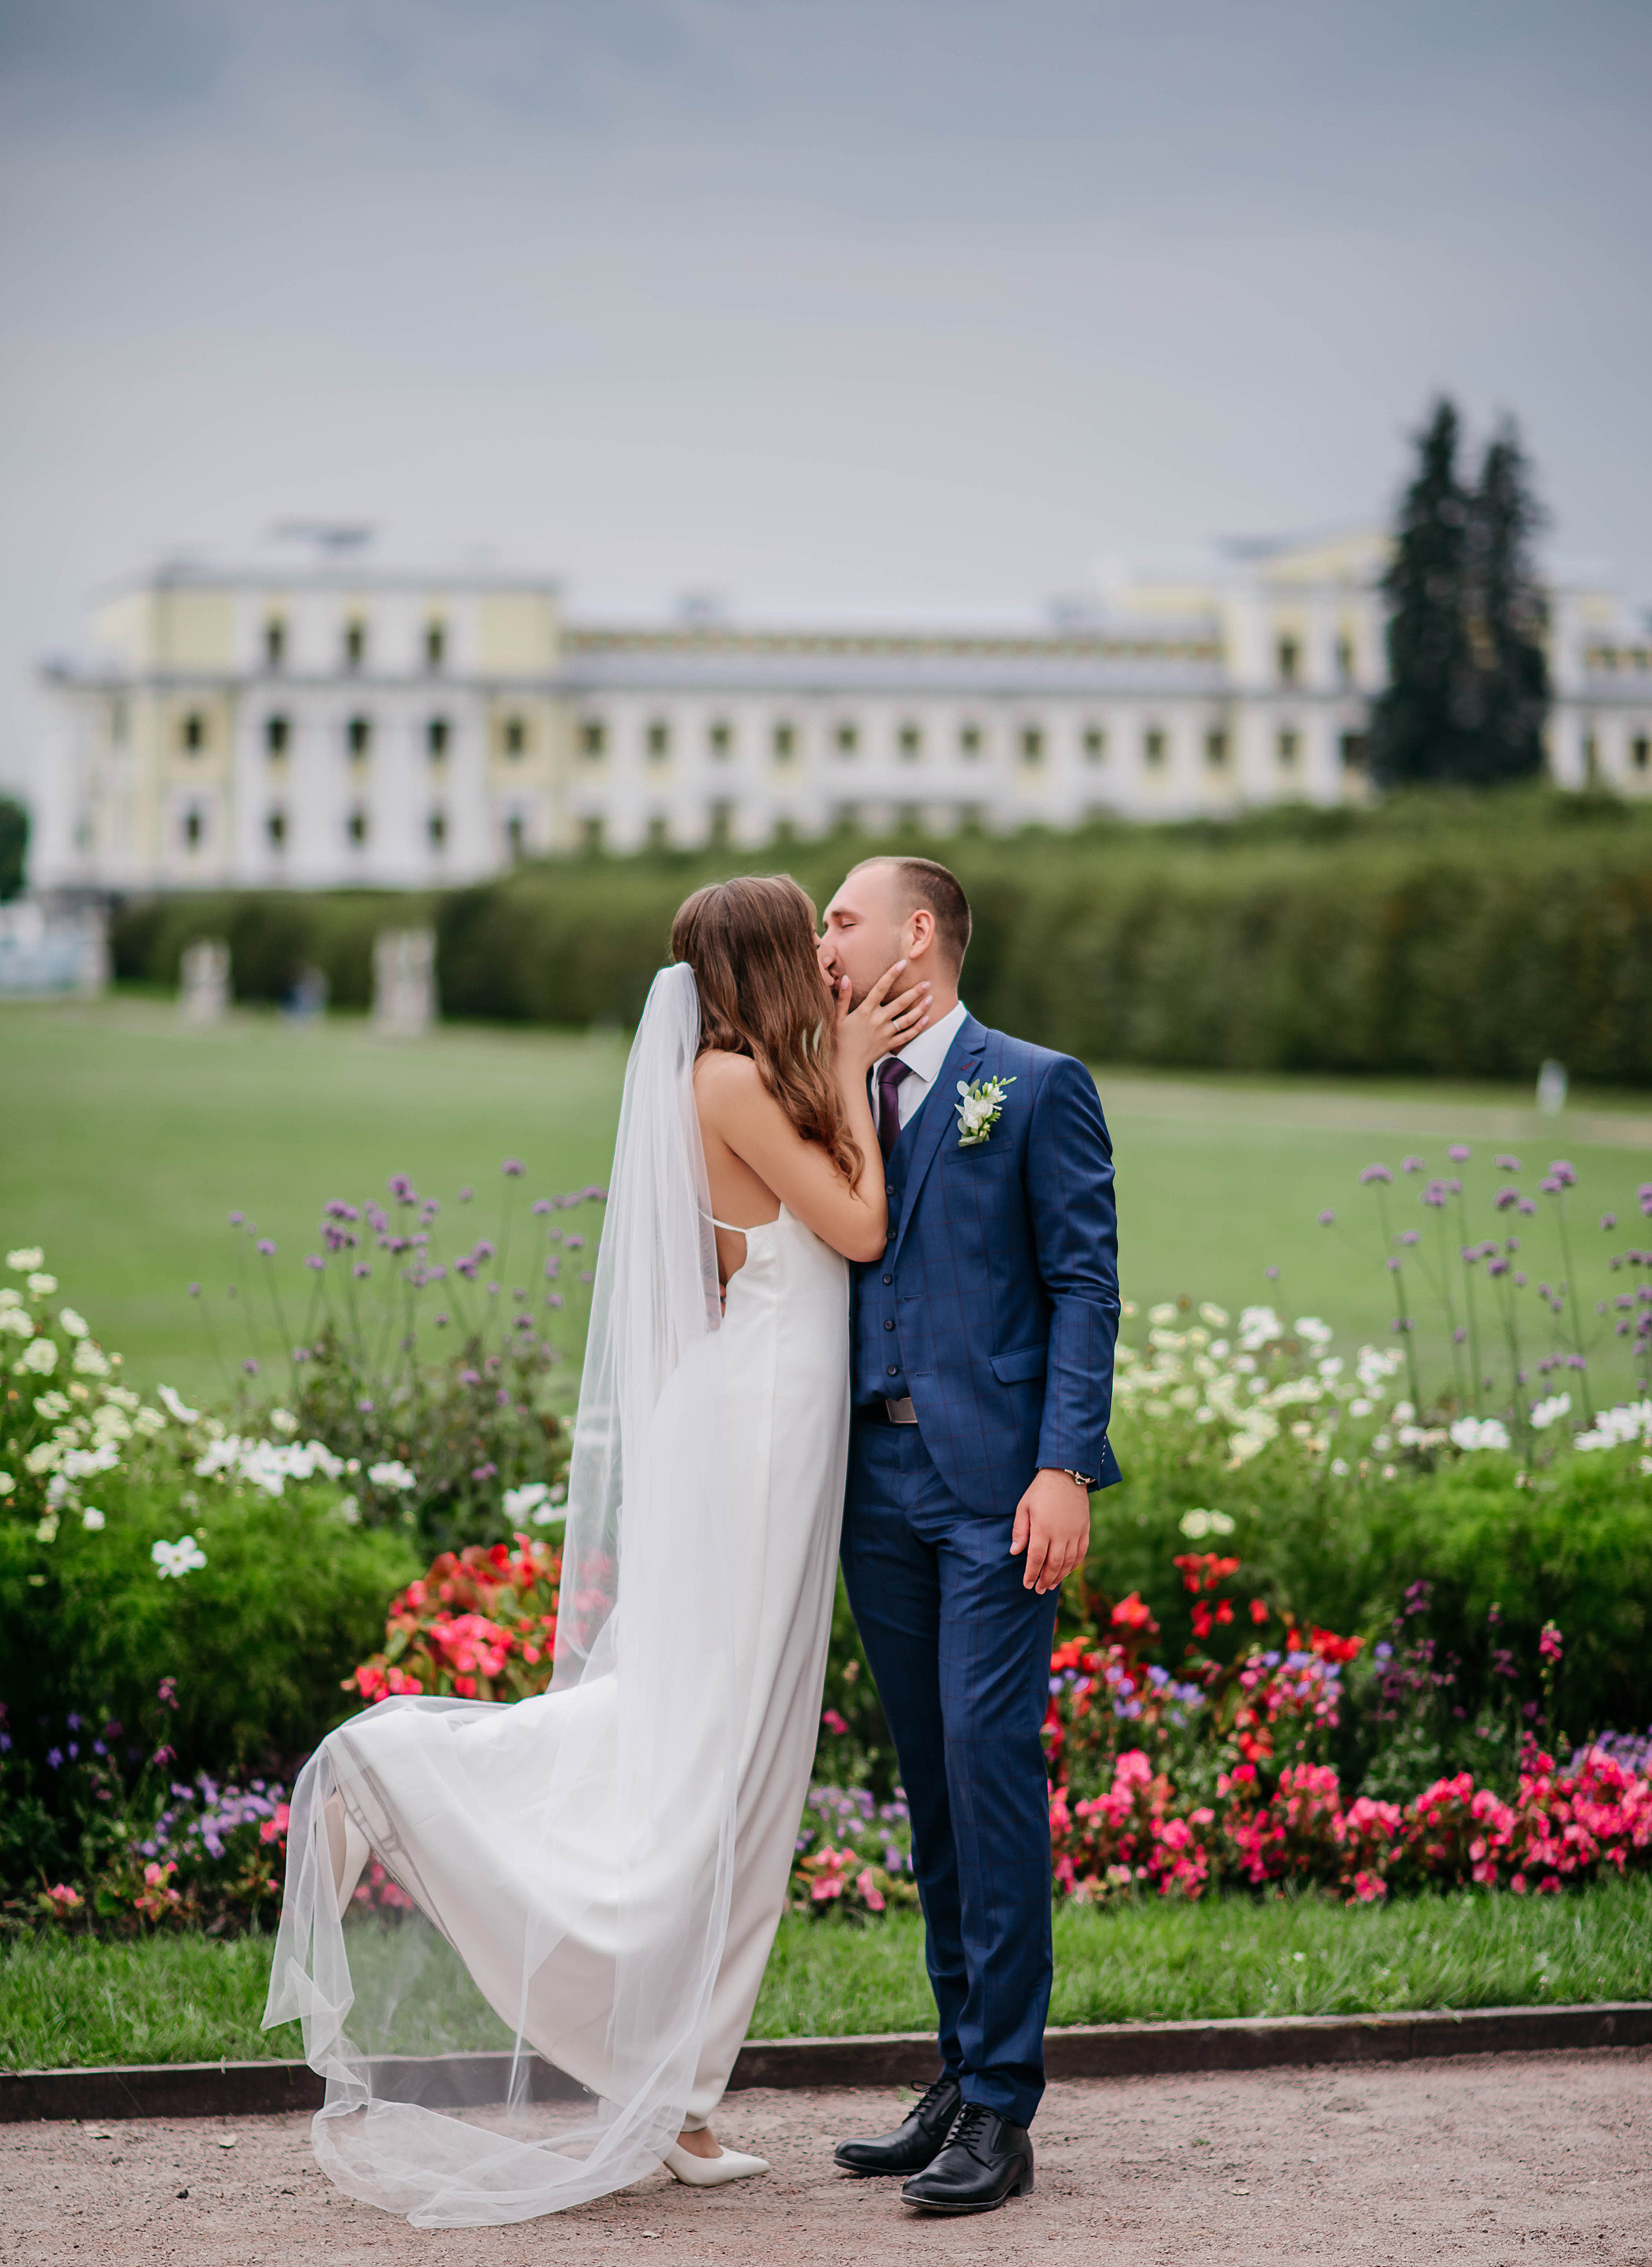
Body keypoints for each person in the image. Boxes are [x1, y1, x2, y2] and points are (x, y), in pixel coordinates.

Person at [263, 874, 927, 2226]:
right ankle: (387, 1765)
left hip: (778, 1439)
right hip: (744, 1442)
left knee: (747, 1759)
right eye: (802, 933)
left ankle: (677, 2091)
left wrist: (840, 1067)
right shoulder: (728, 1081)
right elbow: (855, 1228)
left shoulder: (765, 1073)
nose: (820, 951)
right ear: (758, 962)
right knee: (695, 1737)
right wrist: (855, 1066)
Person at [820, 855, 1120, 2217]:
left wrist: (1063, 1466)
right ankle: (955, 2071)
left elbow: (1080, 1282)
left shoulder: (1034, 1083)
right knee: (931, 1788)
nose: (823, 940)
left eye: (841, 917)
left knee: (988, 1772)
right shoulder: (834, 1084)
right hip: (869, 1489)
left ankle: (1002, 2105)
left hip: (995, 1491)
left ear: (917, 932)